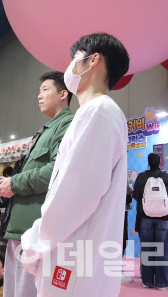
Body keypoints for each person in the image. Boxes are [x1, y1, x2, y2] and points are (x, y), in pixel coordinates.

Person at [20, 33, 130, 297]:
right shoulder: (95, 113)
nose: (69, 67)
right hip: (73, 252)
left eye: (75, 58)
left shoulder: (98, 112)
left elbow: (75, 195)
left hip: (72, 256)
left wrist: (35, 243)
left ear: (93, 60)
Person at [0, 71, 74, 297]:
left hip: (34, 228)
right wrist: (10, 184)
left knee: (24, 290)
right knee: (12, 288)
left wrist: (14, 183)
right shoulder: (45, 130)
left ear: (63, 94)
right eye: (39, 91)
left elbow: (56, 171)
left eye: (45, 90)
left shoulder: (67, 125)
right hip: (20, 225)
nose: (39, 95)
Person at [133, 153, 168, 290]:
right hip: (163, 219)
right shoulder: (167, 177)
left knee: (147, 249)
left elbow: (136, 195)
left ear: (148, 163)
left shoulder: (141, 177)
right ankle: (162, 283)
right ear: (160, 163)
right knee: (161, 250)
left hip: (145, 217)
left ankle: (147, 281)